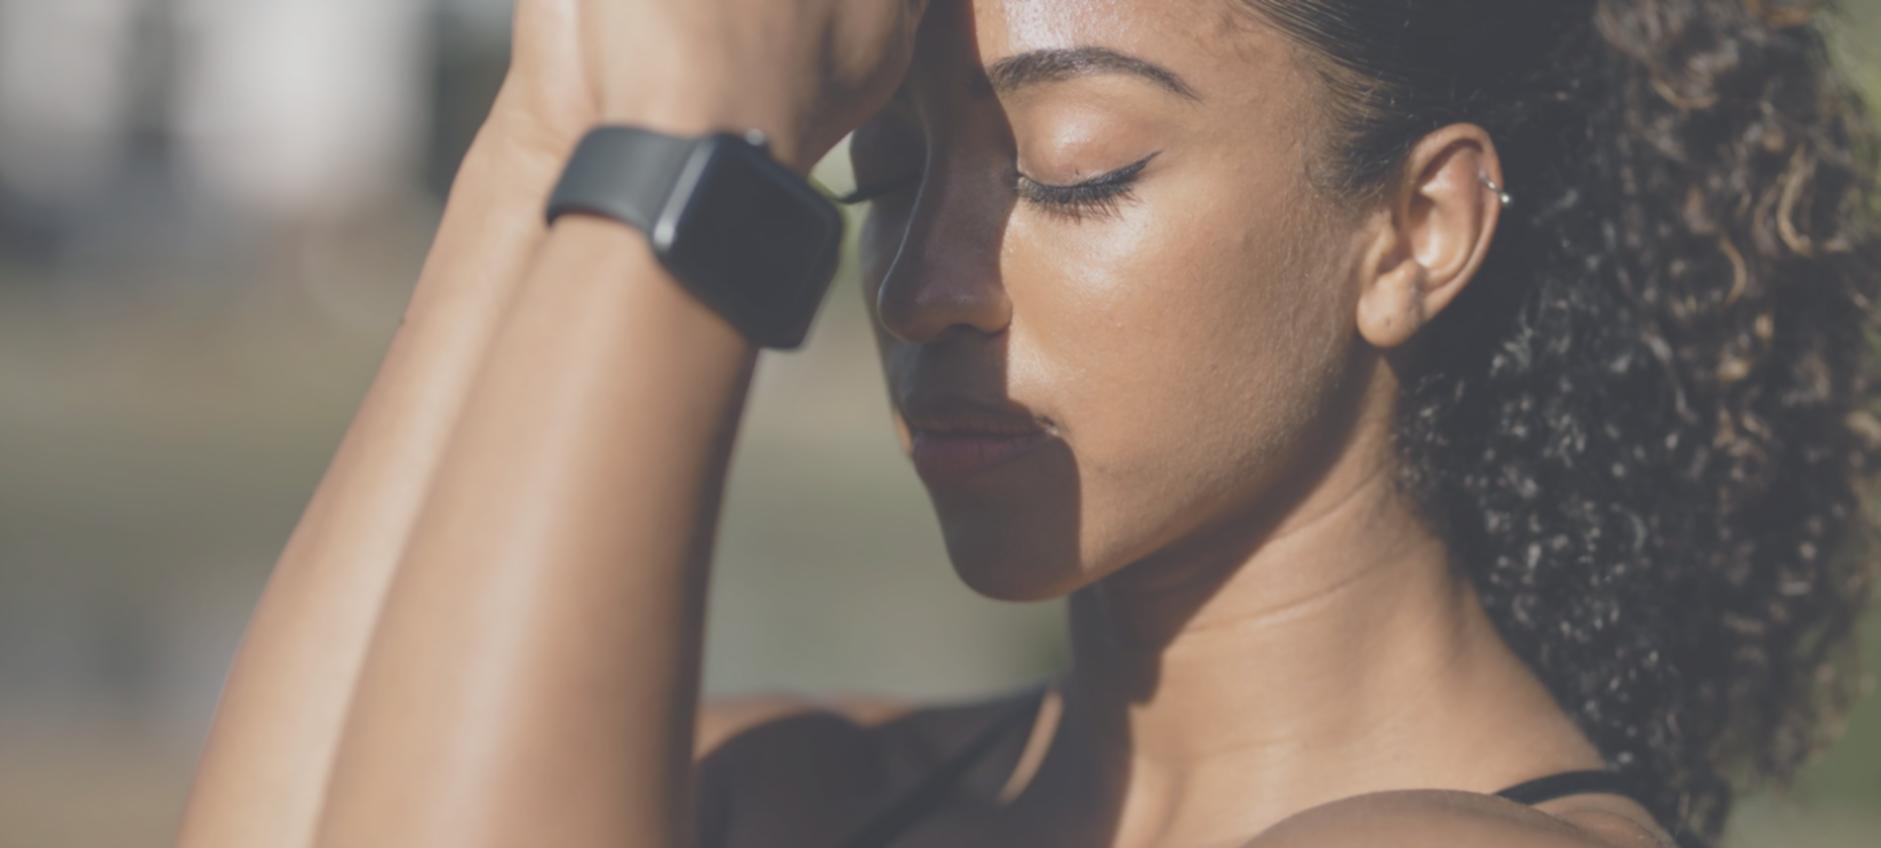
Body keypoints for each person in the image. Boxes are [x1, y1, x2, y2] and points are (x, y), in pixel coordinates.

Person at [176, 1, 1879, 846]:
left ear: (1415, 231)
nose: (925, 287)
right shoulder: (798, 787)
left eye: (1073, 175)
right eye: (883, 174)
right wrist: (560, 115)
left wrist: (692, 149)